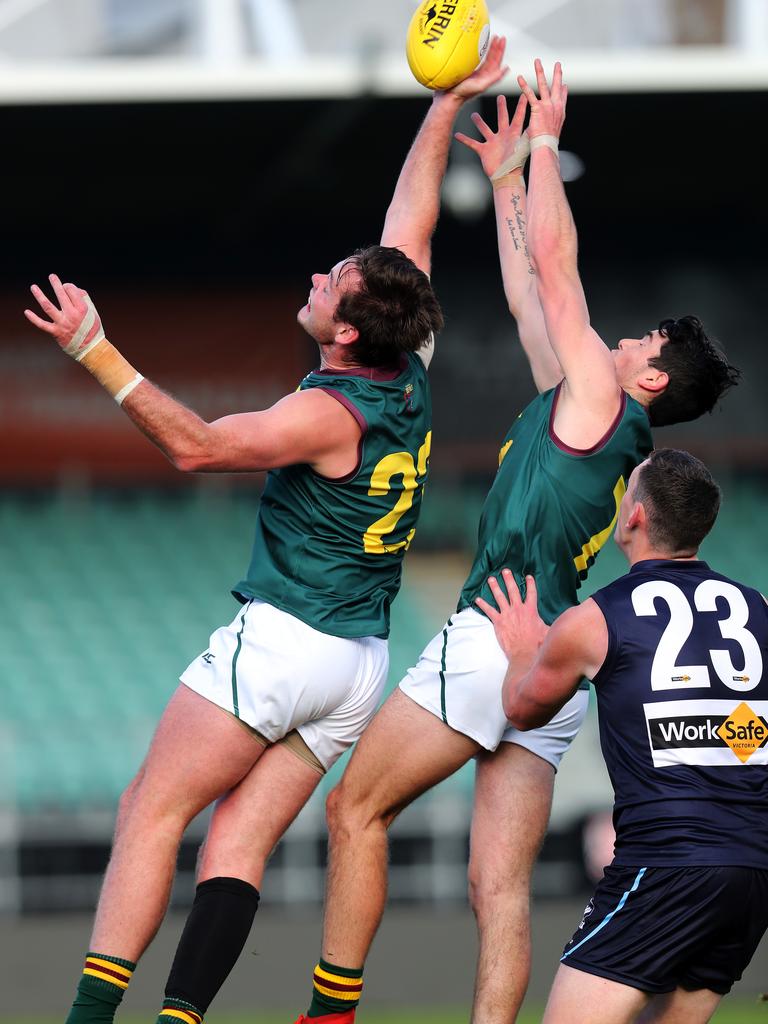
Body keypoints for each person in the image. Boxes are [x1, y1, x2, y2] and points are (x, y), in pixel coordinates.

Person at [23, 40, 509, 1024]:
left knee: (147, 811)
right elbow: (406, 222)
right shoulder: (403, 359)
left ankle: (86, 1020)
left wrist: (95, 350)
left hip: (287, 638)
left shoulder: (326, 409)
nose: (319, 276)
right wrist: (444, 105)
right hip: (358, 659)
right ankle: (181, 1017)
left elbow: (198, 447)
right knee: (236, 841)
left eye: (331, 281)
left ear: (342, 330)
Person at [292, 61, 740, 1024]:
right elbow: (529, 294)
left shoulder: (601, 396)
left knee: (353, 810)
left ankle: (327, 1016)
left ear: (654, 379)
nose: (629, 336)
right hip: (544, 670)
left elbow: (557, 264)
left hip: (493, 636)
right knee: (496, 890)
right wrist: (500, 180)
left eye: (648, 339)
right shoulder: (591, 413)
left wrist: (543, 145)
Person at [481, 448, 768, 1024]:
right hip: (752, 867)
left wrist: (521, 653)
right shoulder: (758, 609)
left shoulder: (595, 619)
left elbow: (523, 708)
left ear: (634, 515)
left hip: (665, 862)